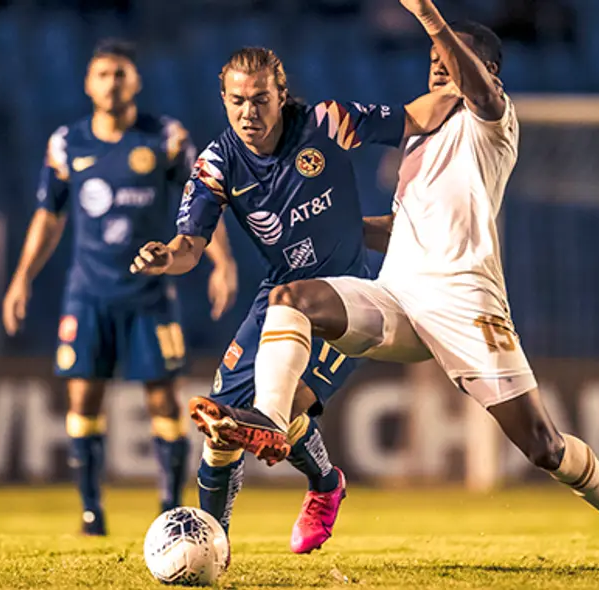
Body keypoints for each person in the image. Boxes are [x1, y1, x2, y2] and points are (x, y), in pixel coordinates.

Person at [170, 1, 599, 574]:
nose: (439, 69)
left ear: (486, 71)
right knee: (291, 298)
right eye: (433, 63)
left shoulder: (491, 122)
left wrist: (433, 21)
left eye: (452, 62)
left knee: (543, 446)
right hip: (396, 297)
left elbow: (478, 95)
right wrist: (320, 223)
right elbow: (404, 229)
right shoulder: (416, 143)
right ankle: (271, 419)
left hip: (465, 303)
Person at [130, 46, 460, 553]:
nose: (249, 112)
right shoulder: (216, 166)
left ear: (282, 96)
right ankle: (213, 546)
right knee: (221, 424)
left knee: (279, 411)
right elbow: (189, 248)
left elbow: (416, 116)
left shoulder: (326, 123)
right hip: (279, 297)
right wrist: (163, 257)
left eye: (261, 99)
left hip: (348, 299)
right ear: (223, 100)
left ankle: (324, 488)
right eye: (237, 100)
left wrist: (465, 87)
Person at [2, 39, 237, 536]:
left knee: (164, 403)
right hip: (88, 296)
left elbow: (202, 201)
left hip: (149, 296)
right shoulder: (68, 144)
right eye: (103, 74)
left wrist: (222, 262)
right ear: (89, 84)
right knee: (83, 400)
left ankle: (169, 507)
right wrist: (22, 278)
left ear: (136, 81)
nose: (112, 82)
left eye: (121, 73)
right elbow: (49, 216)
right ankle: (91, 513)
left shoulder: (165, 138)